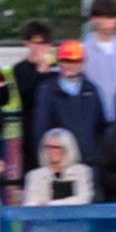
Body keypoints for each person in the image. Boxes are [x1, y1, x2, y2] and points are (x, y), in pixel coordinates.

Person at [33, 40, 109, 169]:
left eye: (75, 61)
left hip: (89, 164)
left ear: (83, 62)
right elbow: (40, 130)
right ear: (59, 62)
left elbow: (100, 128)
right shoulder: (46, 90)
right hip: (59, 165)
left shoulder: (92, 90)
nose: (69, 65)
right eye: (66, 61)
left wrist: (98, 157)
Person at [11, 21, 55, 184]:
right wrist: (41, 71)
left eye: (45, 43)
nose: (42, 47)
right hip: (31, 131)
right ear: (28, 43)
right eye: (38, 42)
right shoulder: (20, 69)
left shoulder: (56, 68)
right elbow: (27, 96)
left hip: (53, 129)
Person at [24, 128, 95, 204]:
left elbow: (84, 199)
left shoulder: (82, 172)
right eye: (48, 147)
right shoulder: (35, 175)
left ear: (68, 149)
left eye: (57, 147)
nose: (52, 151)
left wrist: (51, 204)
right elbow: (30, 204)